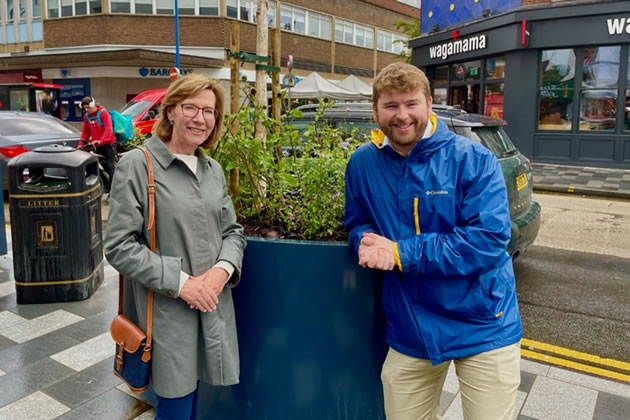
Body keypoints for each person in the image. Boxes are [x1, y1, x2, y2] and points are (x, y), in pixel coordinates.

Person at [344, 62, 522, 420]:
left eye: (411, 104)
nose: (402, 115)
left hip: (484, 321)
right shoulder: (362, 163)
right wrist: (364, 241)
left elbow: (487, 242)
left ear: (428, 103)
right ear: (375, 109)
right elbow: (356, 221)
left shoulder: (472, 158)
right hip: (411, 325)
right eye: (391, 106)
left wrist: (397, 253)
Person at [104, 74, 246, 420]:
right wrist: (184, 284)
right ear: (170, 112)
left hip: (211, 306)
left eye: (209, 111)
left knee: (194, 400)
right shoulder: (139, 165)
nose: (201, 118)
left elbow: (233, 232)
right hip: (168, 314)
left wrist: (220, 272)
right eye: (190, 108)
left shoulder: (212, 169)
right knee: (176, 405)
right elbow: (120, 245)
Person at [78, 96, 117, 195]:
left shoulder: (103, 113)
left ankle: (115, 191)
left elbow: (109, 130)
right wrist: (81, 144)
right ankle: (107, 186)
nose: (86, 110)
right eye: (84, 108)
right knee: (95, 167)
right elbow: (85, 133)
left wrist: (101, 141)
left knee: (110, 167)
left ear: (93, 105)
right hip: (96, 145)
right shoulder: (87, 116)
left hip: (108, 144)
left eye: (88, 107)